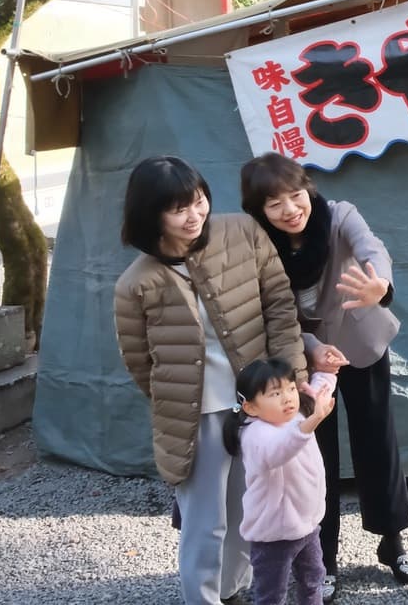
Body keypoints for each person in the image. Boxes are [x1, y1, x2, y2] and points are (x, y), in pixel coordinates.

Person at [113, 155, 305, 605]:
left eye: (198, 201)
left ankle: (231, 589)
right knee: (205, 518)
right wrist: (174, 400)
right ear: (151, 215)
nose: (194, 215)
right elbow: (139, 362)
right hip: (195, 415)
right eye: (179, 209)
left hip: (255, 403)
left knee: (247, 506)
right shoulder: (135, 283)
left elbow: (279, 301)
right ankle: (202, 598)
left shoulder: (242, 231)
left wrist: (290, 378)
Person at [239, 153, 408, 600]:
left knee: (378, 440)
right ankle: (325, 558)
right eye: (274, 202)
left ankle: (392, 543)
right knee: (314, 455)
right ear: (259, 209)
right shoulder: (258, 243)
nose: (289, 209)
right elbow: (268, 308)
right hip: (304, 355)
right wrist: (312, 350)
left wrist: (380, 285)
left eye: (295, 195)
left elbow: (371, 247)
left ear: (309, 190)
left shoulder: (339, 216)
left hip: (361, 342)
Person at [224, 359, 338, 605]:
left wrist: (328, 371)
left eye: (290, 389)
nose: (287, 398)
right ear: (251, 407)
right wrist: (313, 421)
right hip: (274, 535)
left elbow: (320, 390)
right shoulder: (255, 434)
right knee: (272, 593)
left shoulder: (294, 416)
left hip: (307, 525)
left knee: (314, 577)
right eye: (275, 393)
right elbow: (280, 450)